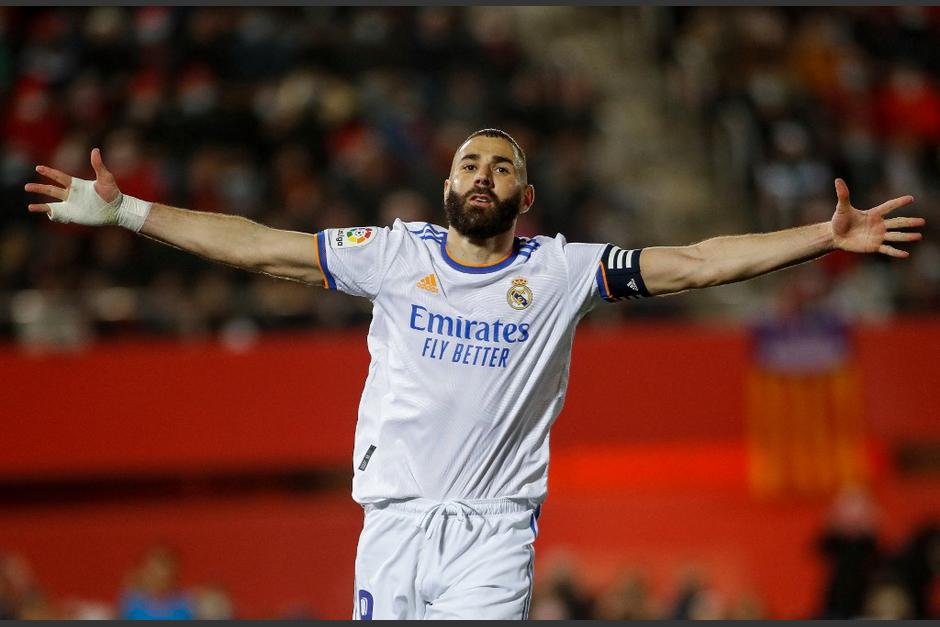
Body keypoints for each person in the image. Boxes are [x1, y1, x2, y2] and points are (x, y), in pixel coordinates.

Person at [26, 129, 925, 620]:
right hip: (389, 526)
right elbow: (263, 247)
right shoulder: (391, 253)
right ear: (446, 184)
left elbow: (694, 261)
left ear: (526, 198)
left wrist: (820, 236)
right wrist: (130, 212)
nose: (484, 173)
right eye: (470, 161)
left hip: (492, 536)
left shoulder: (565, 270)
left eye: (504, 165)